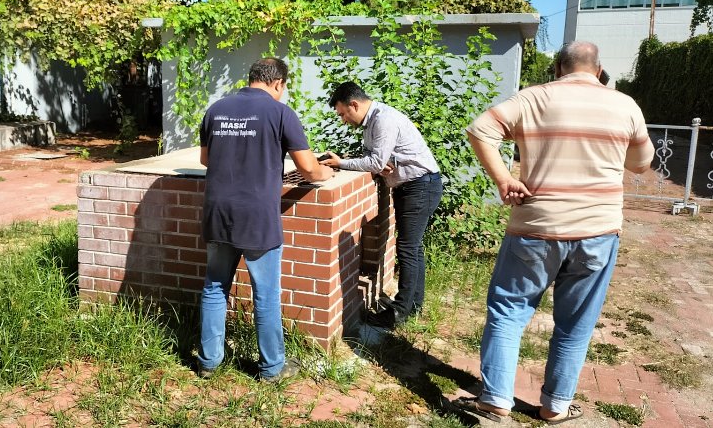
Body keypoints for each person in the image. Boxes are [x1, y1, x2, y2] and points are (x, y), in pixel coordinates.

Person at [455, 42, 654, 423]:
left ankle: (496, 400)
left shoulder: (532, 98)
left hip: (536, 227)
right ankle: (555, 406)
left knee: (508, 311)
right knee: (575, 323)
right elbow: (642, 164)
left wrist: (503, 178)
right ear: (598, 70)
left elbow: (481, 130)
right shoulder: (625, 105)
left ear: (558, 68)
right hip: (597, 229)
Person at [197, 57, 334, 381]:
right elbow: (308, 167)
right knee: (266, 294)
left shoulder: (216, 109)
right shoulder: (280, 113)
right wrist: (324, 172)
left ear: (252, 77)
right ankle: (272, 368)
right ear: (278, 84)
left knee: (215, 287)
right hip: (257, 216)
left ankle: (208, 362)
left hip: (218, 211)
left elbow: (206, 159)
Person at [322, 81, 443, 329]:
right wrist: (378, 162)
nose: (343, 120)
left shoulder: (383, 119)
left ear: (354, 105)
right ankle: (413, 305)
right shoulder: (371, 123)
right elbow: (377, 160)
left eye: (343, 113)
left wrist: (342, 163)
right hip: (412, 185)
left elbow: (376, 163)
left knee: (408, 248)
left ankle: (398, 313)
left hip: (420, 186)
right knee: (413, 248)